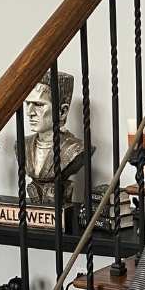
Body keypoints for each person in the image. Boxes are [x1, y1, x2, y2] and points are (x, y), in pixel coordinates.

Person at [18, 70, 85, 204]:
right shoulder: (22, 145)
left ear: (62, 112)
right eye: (28, 104)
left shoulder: (76, 149)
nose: (29, 112)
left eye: (38, 105)